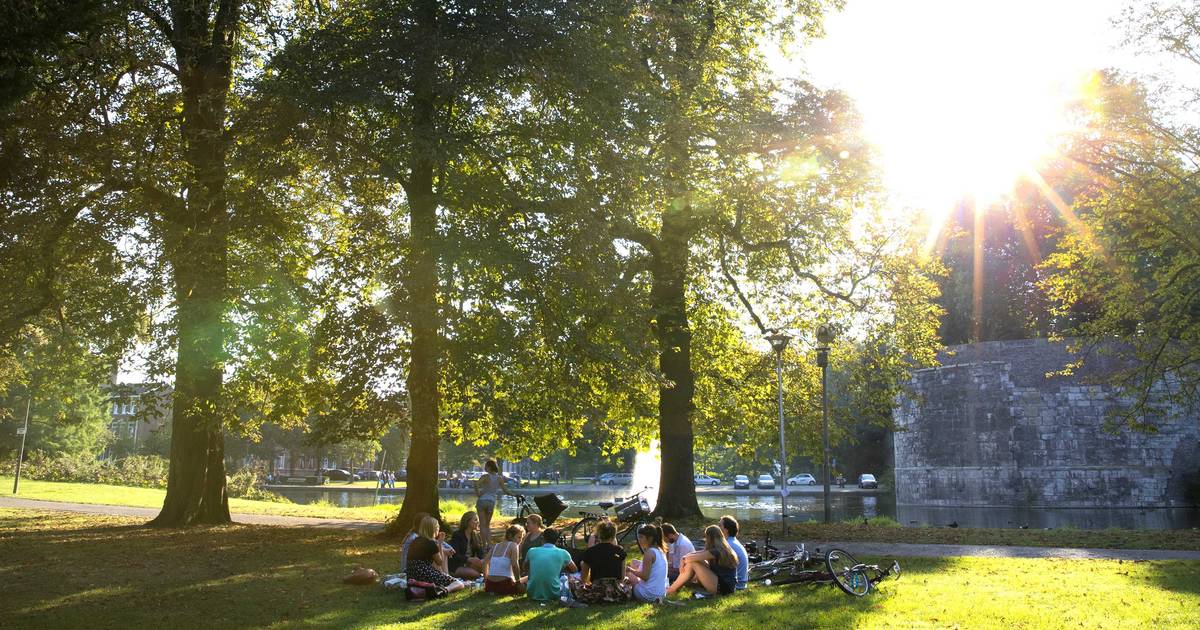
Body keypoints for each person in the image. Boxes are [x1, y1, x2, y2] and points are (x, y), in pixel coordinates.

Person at [666, 525, 738, 598]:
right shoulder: (721, 548)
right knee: (696, 560)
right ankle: (673, 588)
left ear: (709, 538)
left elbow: (689, 558)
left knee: (693, 563)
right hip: (724, 585)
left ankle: (670, 590)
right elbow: (695, 554)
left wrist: (682, 561)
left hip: (723, 588)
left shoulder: (716, 551)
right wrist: (683, 559)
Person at [571, 520, 630, 604]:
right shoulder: (620, 551)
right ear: (614, 536)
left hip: (596, 592)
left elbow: (583, 579)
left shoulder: (590, 552)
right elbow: (622, 578)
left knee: (571, 581)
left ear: (598, 535)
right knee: (629, 580)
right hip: (616, 592)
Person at [406, 516, 466, 592]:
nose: (439, 528)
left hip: (411, 574)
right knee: (459, 583)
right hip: (423, 573)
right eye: (437, 526)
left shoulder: (415, 541)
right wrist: (440, 543)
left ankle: (425, 586)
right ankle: (444, 590)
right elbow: (440, 562)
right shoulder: (431, 543)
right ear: (433, 529)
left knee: (437, 576)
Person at [523, 528, 577, 602]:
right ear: (557, 540)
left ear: (542, 538)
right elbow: (574, 570)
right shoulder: (563, 553)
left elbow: (525, 567)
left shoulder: (531, 551)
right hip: (555, 593)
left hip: (532, 593)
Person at [475, 459, 515, 545]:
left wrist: (478, 494)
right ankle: (489, 544)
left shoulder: (485, 476)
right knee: (487, 525)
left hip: (482, 501)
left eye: (486, 466)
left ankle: (483, 544)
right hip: (491, 502)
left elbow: (476, 484)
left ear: (489, 467)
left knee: (482, 524)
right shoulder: (499, 478)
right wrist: (514, 495)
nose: (484, 468)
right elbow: (505, 490)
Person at [625, 524, 669, 603]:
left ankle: (622, 592)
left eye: (641, 537)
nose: (639, 540)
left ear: (650, 538)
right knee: (634, 562)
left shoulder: (649, 553)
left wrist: (630, 570)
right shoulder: (661, 550)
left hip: (648, 595)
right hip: (661, 594)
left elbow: (645, 577)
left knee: (627, 572)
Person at [483, 524, 526, 595]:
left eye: (522, 538)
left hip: (490, 586)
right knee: (528, 577)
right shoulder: (513, 545)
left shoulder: (495, 546)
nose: (520, 540)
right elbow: (515, 565)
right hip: (505, 585)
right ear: (510, 536)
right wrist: (518, 582)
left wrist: (486, 579)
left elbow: (485, 562)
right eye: (519, 537)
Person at [449, 511, 486, 579]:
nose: (478, 522)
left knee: (487, 565)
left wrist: (482, 561)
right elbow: (455, 555)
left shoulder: (476, 536)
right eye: (475, 520)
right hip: (457, 565)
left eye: (477, 520)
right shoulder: (457, 535)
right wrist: (469, 559)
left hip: (469, 564)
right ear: (468, 521)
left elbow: (480, 554)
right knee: (476, 574)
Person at [720, 515, 749, 590]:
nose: (718, 528)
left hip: (736, 585)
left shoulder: (729, 544)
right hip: (741, 582)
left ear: (726, 530)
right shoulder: (733, 541)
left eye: (720, 526)